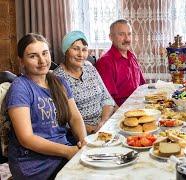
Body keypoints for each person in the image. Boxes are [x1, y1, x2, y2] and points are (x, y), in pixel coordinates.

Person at [4, 33, 87, 179]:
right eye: (33, 56)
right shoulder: (20, 88)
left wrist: (83, 141)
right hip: (34, 164)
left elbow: (75, 118)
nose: (42, 61)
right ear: (21, 61)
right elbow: (26, 138)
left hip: (62, 152)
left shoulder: (60, 82)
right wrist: (68, 152)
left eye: (45, 53)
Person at [54, 31, 116, 134]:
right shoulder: (57, 78)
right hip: (80, 133)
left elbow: (107, 99)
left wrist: (103, 122)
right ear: (66, 51)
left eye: (84, 49)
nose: (81, 54)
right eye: (75, 49)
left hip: (104, 125)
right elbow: (63, 119)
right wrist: (92, 130)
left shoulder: (89, 67)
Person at [95, 19, 146, 106]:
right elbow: (108, 100)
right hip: (122, 110)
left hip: (139, 104)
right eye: (121, 34)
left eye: (129, 34)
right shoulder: (105, 62)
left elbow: (142, 86)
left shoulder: (132, 56)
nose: (127, 39)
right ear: (111, 37)